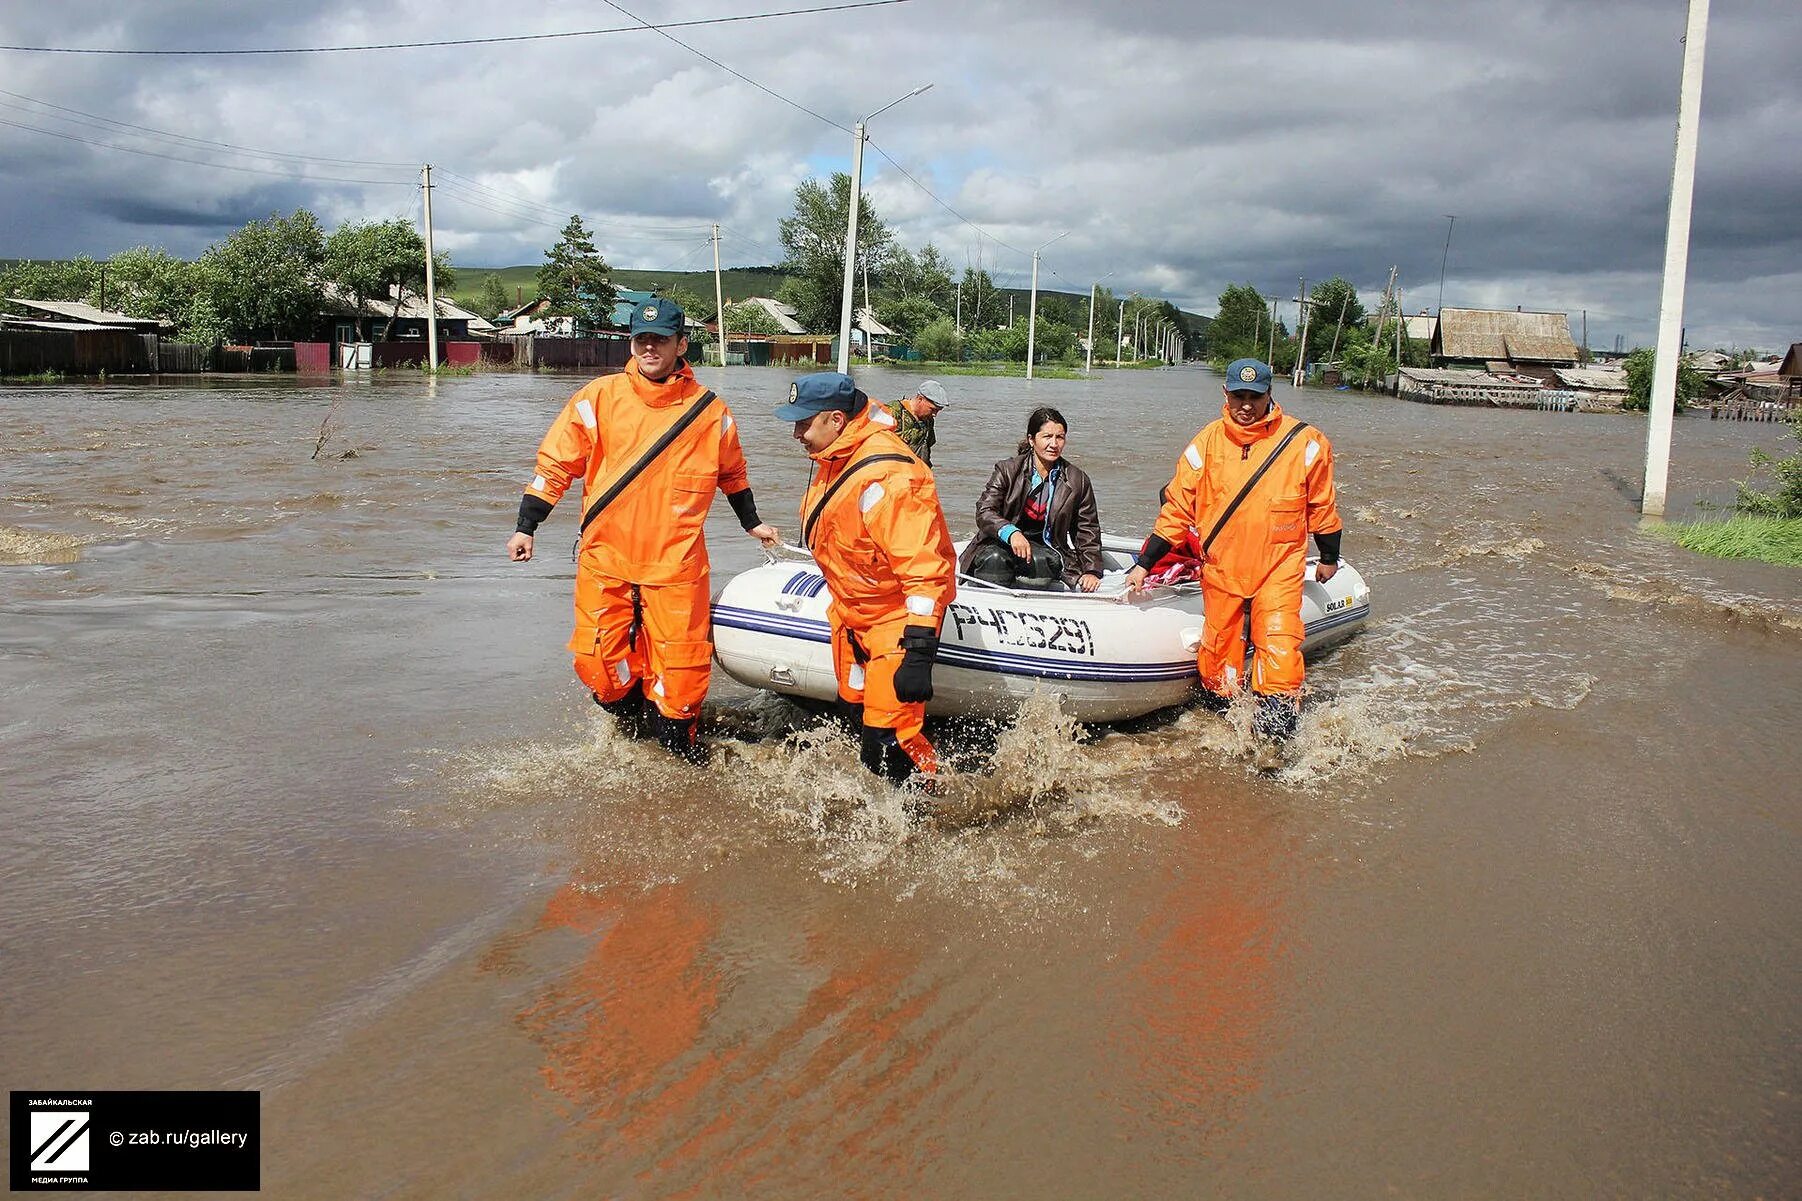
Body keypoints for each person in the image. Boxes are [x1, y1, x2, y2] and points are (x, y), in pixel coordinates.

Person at [506, 298, 777, 761]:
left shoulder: (710, 411)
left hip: (676, 565)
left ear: (681, 345)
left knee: (682, 668)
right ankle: (631, 716)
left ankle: (678, 745)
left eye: (660, 340)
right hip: (605, 559)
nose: (649, 348)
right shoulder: (597, 398)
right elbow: (556, 464)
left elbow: (733, 474)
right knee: (597, 662)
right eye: (641, 340)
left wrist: (751, 522)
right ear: (631, 343)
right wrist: (527, 526)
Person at [1125, 358, 1342, 767]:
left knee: (1278, 649)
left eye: (1254, 397)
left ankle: (1274, 745)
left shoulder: (1307, 444)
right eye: (1238, 396)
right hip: (1222, 568)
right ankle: (1225, 730)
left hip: (1278, 567)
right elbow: (1176, 511)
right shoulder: (1204, 444)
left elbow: (1322, 507)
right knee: (1216, 658)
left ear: (1269, 396)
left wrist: (1329, 556)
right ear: (1225, 394)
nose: (1246, 405)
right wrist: (1144, 563)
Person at [778, 371, 957, 786]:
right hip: (851, 617)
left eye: (804, 423)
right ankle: (877, 812)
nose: (796, 434)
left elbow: (925, 572)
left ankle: (928, 808)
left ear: (836, 420)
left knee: (889, 741)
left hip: (892, 623)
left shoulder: (891, 478)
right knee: (856, 721)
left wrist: (918, 653)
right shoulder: (835, 457)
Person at [957, 406, 1104, 592]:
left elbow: (1087, 529)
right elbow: (985, 511)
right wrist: (1010, 532)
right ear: (1031, 439)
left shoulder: (1078, 480)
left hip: (1048, 545)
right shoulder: (1007, 470)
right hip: (999, 541)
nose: (1054, 444)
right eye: (1047, 436)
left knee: (1039, 562)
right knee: (994, 560)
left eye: (1060, 437)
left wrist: (1091, 571)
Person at [885, 379, 948, 466]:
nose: (935, 414)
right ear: (920, 399)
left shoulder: (928, 419)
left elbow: (929, 445)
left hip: (920, 474)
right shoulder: (892, 412)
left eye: (938, 411)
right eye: (932, 409)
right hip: (896, 473)